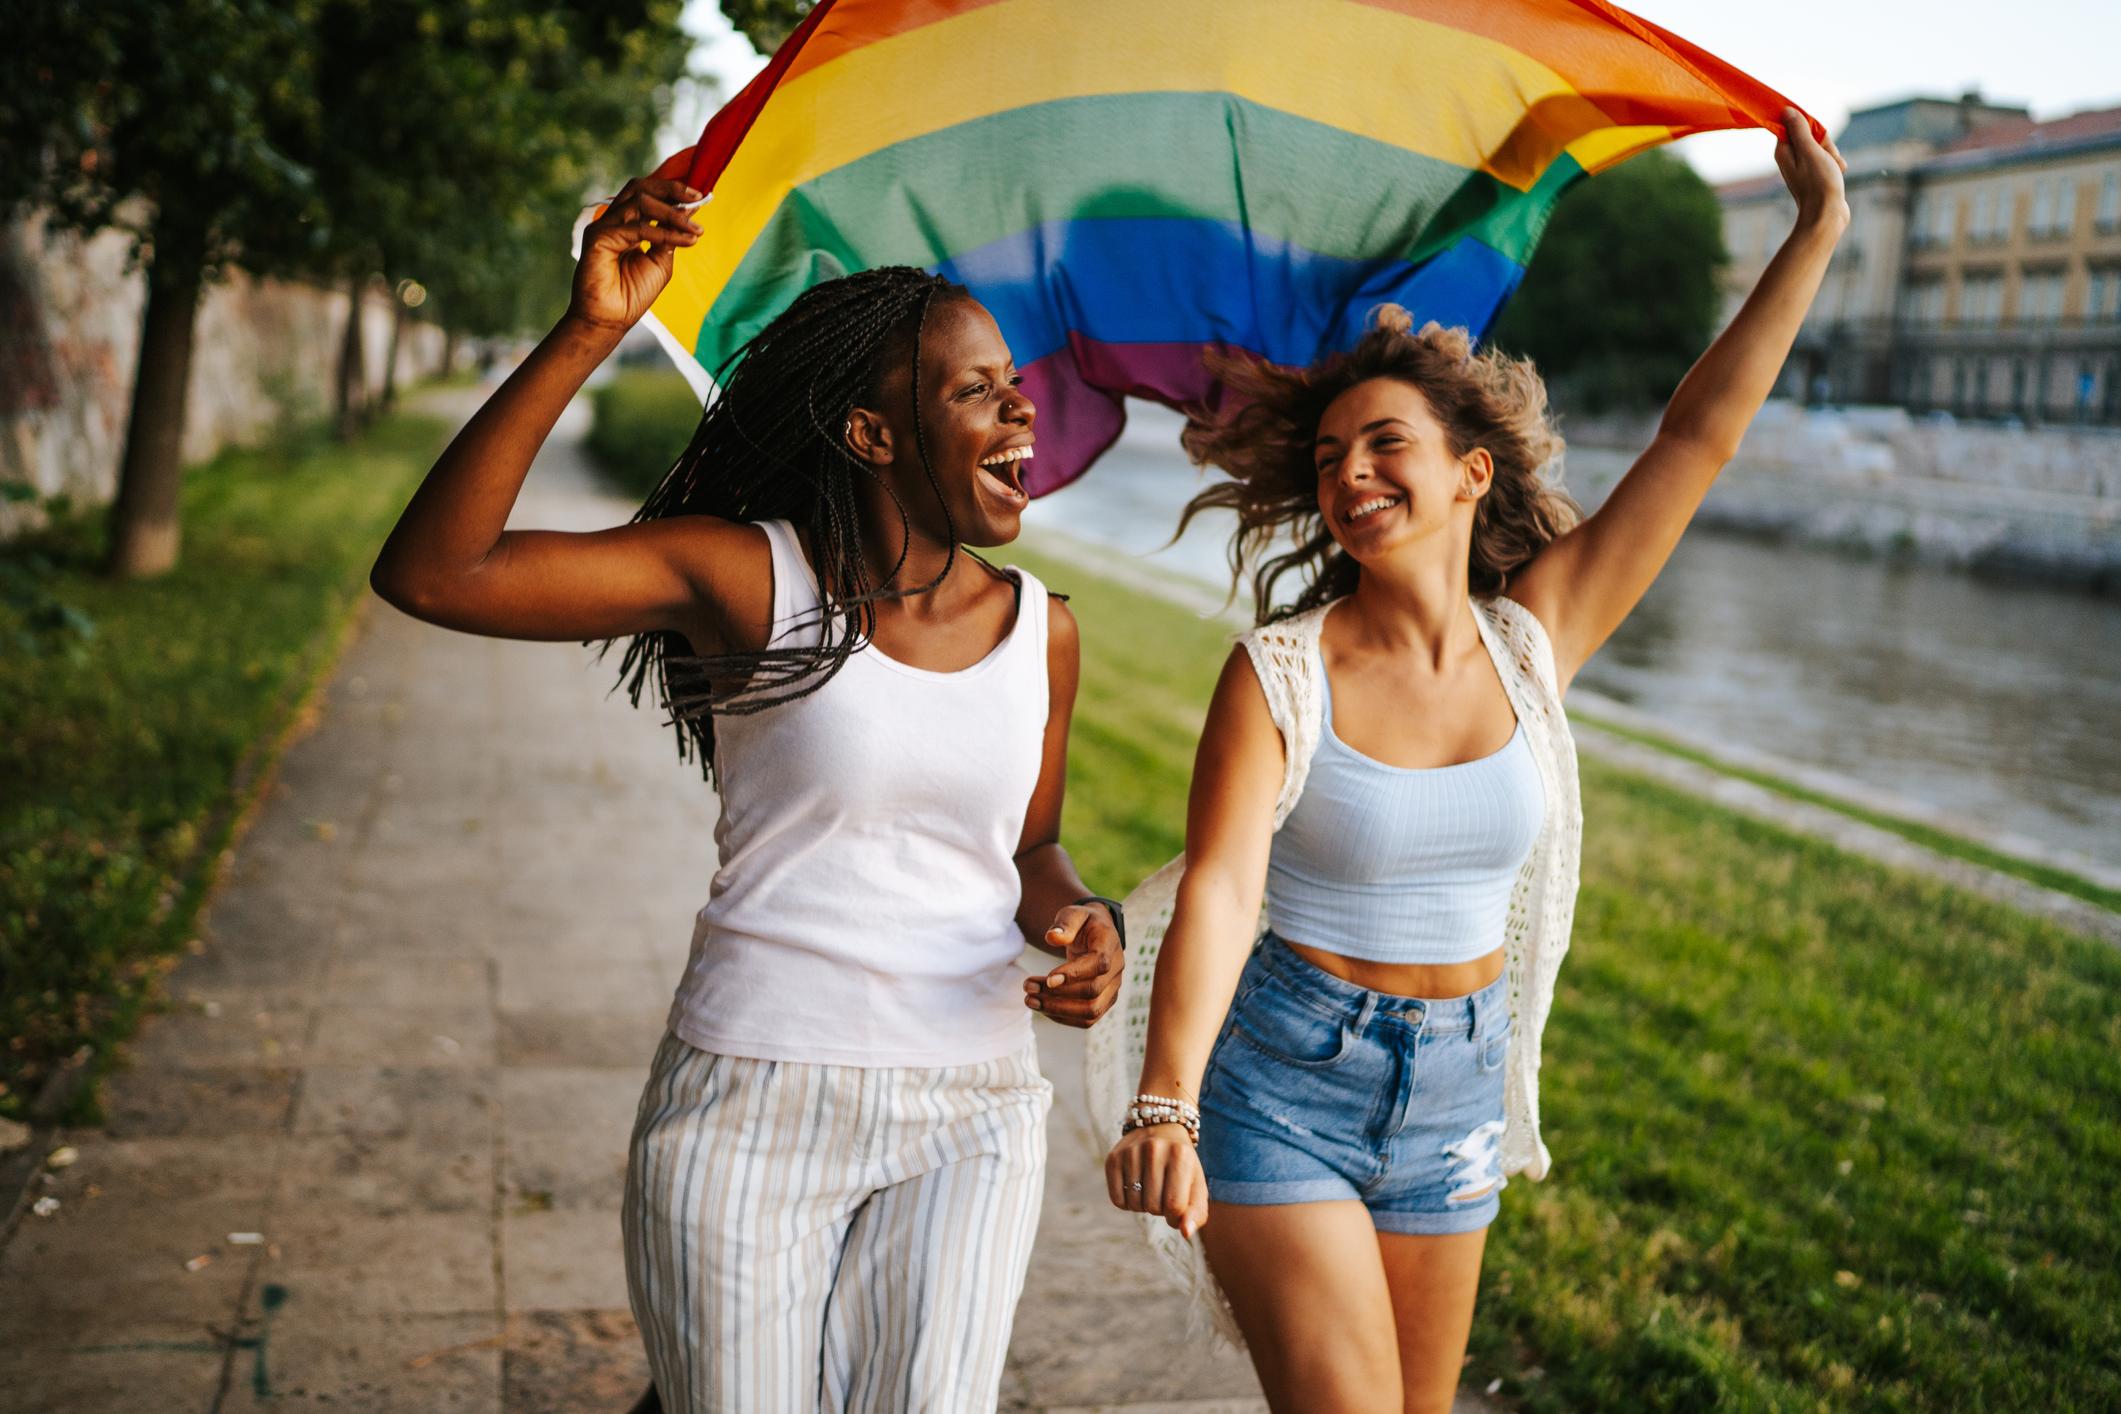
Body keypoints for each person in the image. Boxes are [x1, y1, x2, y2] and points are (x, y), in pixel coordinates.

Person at [1099, 111, 1847, 1412]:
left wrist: (1815, 231)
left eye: (1385, 443)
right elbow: (1221, 889)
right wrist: (1166, 1098)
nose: (1351, 473)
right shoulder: (1279, 672)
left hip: (1456, 1086)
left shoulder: (1532, 640)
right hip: (1283, 1082)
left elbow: (1693, 442)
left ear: (1468, 473)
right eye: (1330, 458)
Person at [371, 174, 1126, 1412]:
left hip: (972, 1106)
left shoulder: (1043, 629)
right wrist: (590, 331)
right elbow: (438, 572)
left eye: (1012, 380)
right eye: (974, 388)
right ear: (875, 435)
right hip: (753, 1097)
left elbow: (1030, 845)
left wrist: (1078, 918)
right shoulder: (747, 577)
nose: (1019, 406)